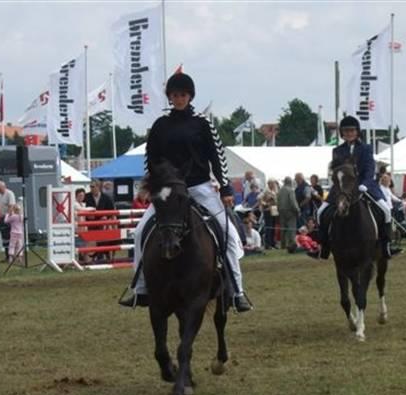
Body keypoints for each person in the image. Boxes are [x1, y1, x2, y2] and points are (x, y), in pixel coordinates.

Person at [119, 72, 252, 312]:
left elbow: (217, 157)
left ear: (190, 96)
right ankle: (140, 289)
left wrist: (225, 187)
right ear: (169, 97)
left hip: (199, 185)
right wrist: (152, 187)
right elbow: (152, 159)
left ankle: (237, 292)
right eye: (174, 95)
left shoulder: (203, 123)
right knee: (140, 232)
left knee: (229, 234)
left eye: (183, 95)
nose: (179, 98)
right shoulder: (160, 125)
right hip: (168, 190)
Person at [317, 115, 401, 259]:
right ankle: (324, 247)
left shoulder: (366, 148)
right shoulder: (337, 150)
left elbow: (369, 169)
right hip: (343, 187)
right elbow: (335, 170)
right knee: (320, 213)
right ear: (342, 133)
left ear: (357, 132)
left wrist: (364, 184)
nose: (349, 133)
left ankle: (386, 245)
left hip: (365, 185)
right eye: (346, 131)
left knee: (386, 211)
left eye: (352, 130)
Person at [0, 180, 16, 260]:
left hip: (8, 218)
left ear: (3, 186)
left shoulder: (9, 193)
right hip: (1, 217)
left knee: (10, 237)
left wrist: (7, 218)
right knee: (4, 238)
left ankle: (12, 255)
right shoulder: (0, 195)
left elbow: (11, 206)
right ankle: (7, 256)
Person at [277, 176, 299, 250]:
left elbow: (278, 202)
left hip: (281, 211)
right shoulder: (290, 190)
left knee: (283, 229)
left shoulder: (280, 191)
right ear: (290, 182)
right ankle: (292, 245)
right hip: (290, 211)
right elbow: (293, 202)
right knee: (291, 228)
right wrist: (297, 210)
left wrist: (279, 210)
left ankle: (283, 245)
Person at [258, 179, 279, 249]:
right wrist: (266, 204)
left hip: (274, 210)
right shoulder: (266, 191)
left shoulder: (275, 191)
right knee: (269, 227)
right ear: (269, 184)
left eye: (274, 184)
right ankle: (268, 244)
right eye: (272, 184)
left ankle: (273, 243)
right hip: (268, 210)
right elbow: (258, 198)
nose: (273, 185)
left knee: (273, 226)